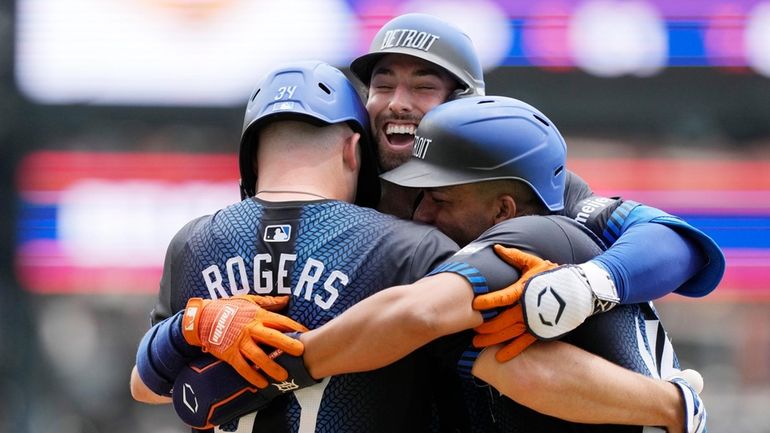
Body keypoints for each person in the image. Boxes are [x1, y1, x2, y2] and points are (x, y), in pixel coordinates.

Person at [132, 94, 705, 433]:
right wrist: (191, 327)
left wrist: (263, 371)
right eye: (384, 80)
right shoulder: (410, 222)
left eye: (441, 194)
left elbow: (682, 244)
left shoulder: (537, 227)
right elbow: (142, 384)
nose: (424, 207)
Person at [348, 12, 724, 347]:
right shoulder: (342, 174)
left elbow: (677, 245)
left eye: (423, 87)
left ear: (464, 103)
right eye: (383, 86)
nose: (397, 102)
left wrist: (586, 286)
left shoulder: (507, 175)